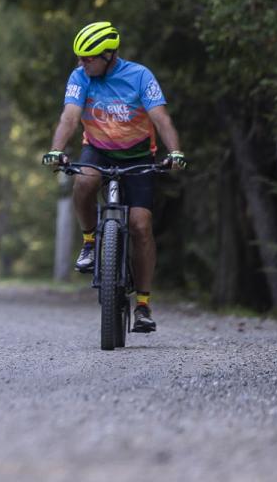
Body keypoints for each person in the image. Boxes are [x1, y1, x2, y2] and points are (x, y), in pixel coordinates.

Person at [43, 21, 185, 334]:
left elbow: (161, 117)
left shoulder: (139, 76)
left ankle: (144, 304)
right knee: (84, 181)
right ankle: (91, 241)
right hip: (98, 149)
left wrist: (174, 152)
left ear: (109, 55)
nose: (81, 63)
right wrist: (56, 150)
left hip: (137, 156)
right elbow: (69, 116)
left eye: (88, 58)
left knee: (140, 226)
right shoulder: (80, 77)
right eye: (79, 57)